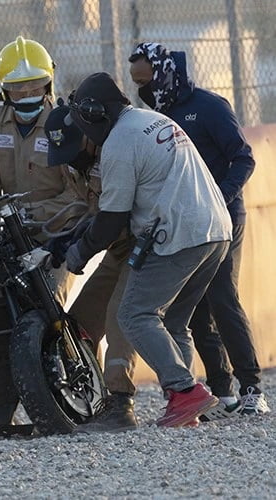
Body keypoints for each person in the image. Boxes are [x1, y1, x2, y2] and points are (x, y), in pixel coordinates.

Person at [63, 72, 231, 427]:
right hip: (216, 230)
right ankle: (186, 408)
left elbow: (111, 222)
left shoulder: (119, 143)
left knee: (134, 314)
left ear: (94, 115)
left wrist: (79, 252)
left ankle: (185, 391)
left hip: (180, 234)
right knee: (173, 322)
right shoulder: (153, 119)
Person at [129, 42, 269, 418]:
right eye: (139, 85)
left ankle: (253, 387)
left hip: (224, 215)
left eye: (147, 80)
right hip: (185, 222)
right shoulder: (158, 113)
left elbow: (243, 157)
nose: (144, 90)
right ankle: (221, 392)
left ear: (164, 72)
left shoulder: (208, 107)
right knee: (194, 306)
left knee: (222, 297)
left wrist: (218, 198)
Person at [44, 103, 141, 432]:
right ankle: (96, 401)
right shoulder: (75, 166)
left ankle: (121, 402)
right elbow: (90, 212)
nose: (71, 157)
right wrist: (63, 240)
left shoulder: (111, 156)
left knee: (120, 316)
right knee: (80, 324)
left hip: (141, 246)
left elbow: (114, 219)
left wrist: (79, 249)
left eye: (73, 148)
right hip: (115, 249)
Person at [0, 36, 81, 303]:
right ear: (3, 89)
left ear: (49, 83)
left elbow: (79, 198)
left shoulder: (64, 124)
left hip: (58, 236)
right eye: (18, 89)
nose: (27, 96)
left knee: (49, 303)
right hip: (12, 237)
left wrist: (31, 213)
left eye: (35, 88)